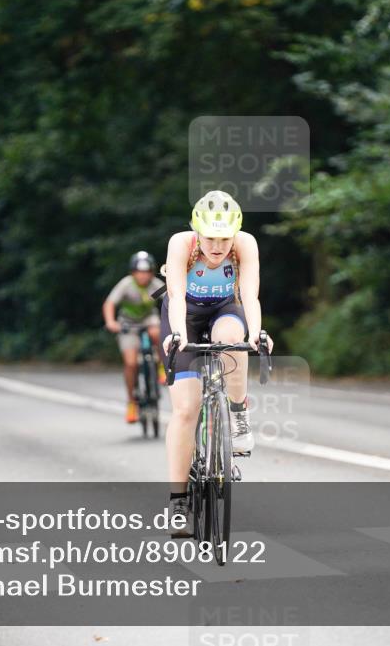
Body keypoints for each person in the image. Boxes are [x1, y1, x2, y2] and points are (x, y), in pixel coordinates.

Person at [160, 191, 273, 536]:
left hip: (225, 308)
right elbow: (177, 296)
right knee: (185, 410)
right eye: (210, 237)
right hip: (185, 316)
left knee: (232, 339)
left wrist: (256, 333)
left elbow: (250, 295)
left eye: (225, 238)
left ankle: (237, 414)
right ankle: (178, 502)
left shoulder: (245, 244)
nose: (217, 246)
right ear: (198, 231)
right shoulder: (182, 244)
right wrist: (178, 335)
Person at [103, 251, 166, 424]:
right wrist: (111, 322)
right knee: (130, 363)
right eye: (139, 272)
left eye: (146, 272)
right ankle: (132, 402)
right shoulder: (126, 284)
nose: (143, 276)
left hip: (148, 319)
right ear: (133, 272)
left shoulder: (155, 285)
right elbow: (110, 303)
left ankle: (161, 366)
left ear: (152, 272)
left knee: (156, 332)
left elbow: (170, 298)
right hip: (128, 323)